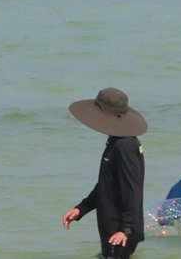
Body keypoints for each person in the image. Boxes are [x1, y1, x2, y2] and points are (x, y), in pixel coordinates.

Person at [62, 88, 147, 259]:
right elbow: (107, 184)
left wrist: (127, 229)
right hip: (114, 230)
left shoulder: (125, 146)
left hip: (119, 234)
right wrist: (82, 208)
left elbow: (132, 189)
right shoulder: (115, 142)